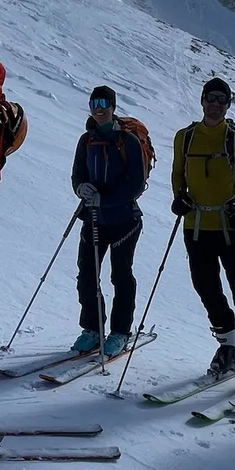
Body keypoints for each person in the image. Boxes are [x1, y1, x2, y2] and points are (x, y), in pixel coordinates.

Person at [170, 77, 235, 385]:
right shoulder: (185, 137)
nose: (215, 105)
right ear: (202, 100)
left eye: (221, 100)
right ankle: (228, 347)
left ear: (228, 105)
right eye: (210, 98)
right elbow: (178, 172)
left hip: (229, 227)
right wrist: (180, 197)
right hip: (197, 227)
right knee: (207, 288)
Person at [70, 85, 148, 357]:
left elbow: (136, 184)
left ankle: (120, 332)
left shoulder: (128, 141)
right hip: (93, 218)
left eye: (104, 103)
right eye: (95, 103)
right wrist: (81, 189)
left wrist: (104, 199)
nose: (99, 108)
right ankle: (92, 329)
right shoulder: (86, 140)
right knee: (87, 275)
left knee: (121, 275)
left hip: (124, 220)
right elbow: (77, 175)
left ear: (113, 107)